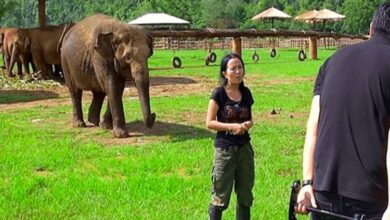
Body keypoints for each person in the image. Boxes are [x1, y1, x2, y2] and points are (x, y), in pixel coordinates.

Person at [296, 3, 390, 220]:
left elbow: (313, 125)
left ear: (371, 28)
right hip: (371, 199)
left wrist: (308, 183)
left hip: (322, 193)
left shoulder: (332, 61)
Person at [206, 53, 254, 220]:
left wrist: (246, 125)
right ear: (224, 74)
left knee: (245, 194)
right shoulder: (218, 94)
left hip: (244, 150)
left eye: (240, 67)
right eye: (233, 68)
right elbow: (210, 122)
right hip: (225, 150)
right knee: (220, 195)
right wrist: (232, 127)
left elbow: (249, 119)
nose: (238, 71)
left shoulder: (246, 93)